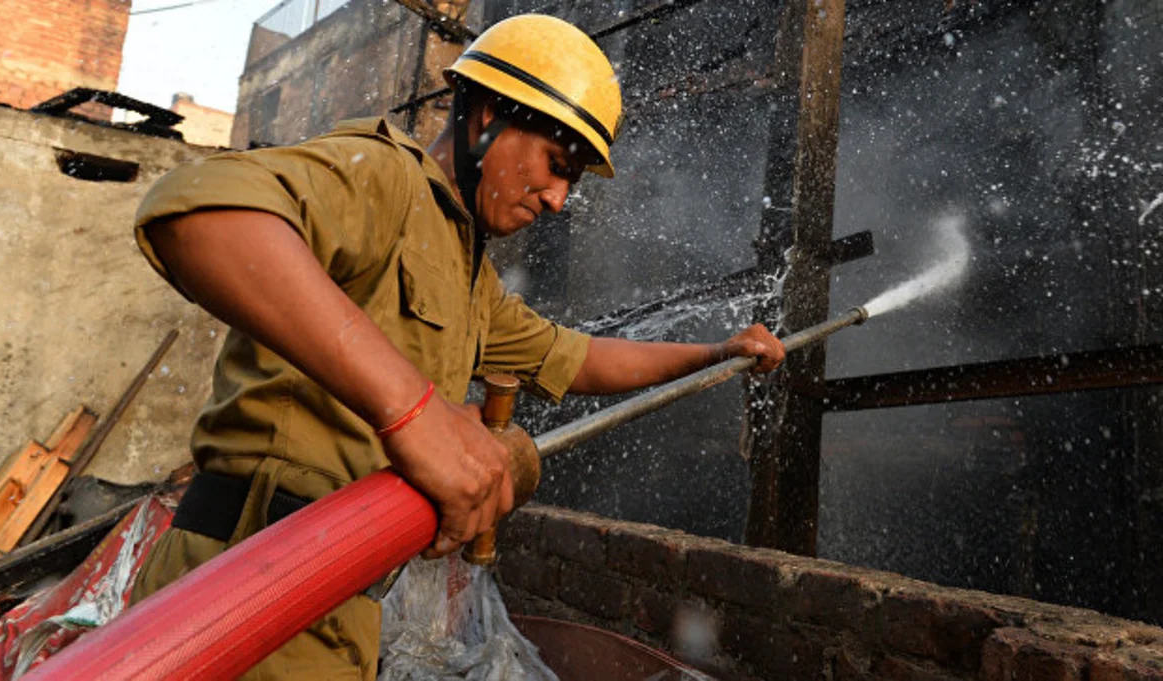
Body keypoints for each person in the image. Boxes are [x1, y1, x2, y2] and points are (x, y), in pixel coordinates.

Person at [129, 13, 785, 680]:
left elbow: (578, 357)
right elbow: (201, 214)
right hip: (242, 587)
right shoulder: (386, 177)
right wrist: (415, 413)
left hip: (334, 601)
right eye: (557, 165)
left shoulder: (470, 273)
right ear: (485, 119)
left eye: (574, 179)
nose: (560, 199)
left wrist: (714, 354)